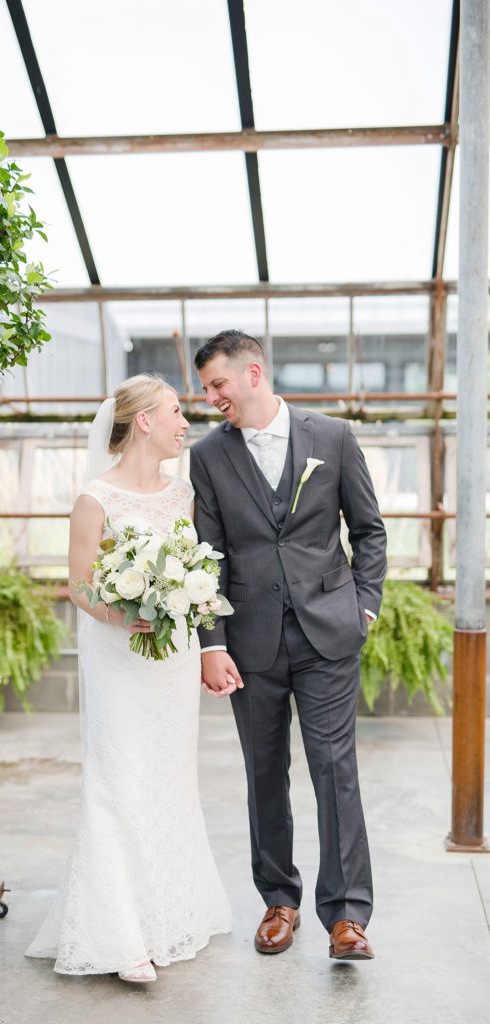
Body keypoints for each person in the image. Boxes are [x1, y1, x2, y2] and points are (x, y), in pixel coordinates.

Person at [25, 373, 232, 983]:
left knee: (169, 780)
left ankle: (167, 918)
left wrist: (185, 607)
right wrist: (126, 616)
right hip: (117, 660)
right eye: (175, 411)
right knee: (117, 783)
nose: (184, 423)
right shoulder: (95, 499)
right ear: (144, 421)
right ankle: (120, 937)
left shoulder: (183, 494)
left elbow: (194, 569)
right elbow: (79, 585)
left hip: (172, 662)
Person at [190, 330, 387, 961]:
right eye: (206, 389)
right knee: (264, 771)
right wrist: (212, 643)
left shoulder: (332, 437)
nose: (211, 398)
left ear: (253, 374)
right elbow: (207, 556)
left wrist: (363, 606)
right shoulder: (208, 455)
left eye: (218, 384)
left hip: (329, 631)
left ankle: (347, 916)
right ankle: (279, 900)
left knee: (334, 768)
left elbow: (369, 530)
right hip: (250, 641)